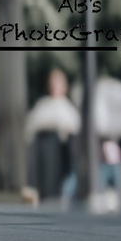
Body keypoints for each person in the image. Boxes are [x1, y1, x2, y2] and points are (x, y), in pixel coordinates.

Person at [24, 68, 79, 205]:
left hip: (61, 155)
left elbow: (74, 127)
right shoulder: (43, 105)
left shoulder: (68, 108)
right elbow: (31, 126)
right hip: (43, 155)